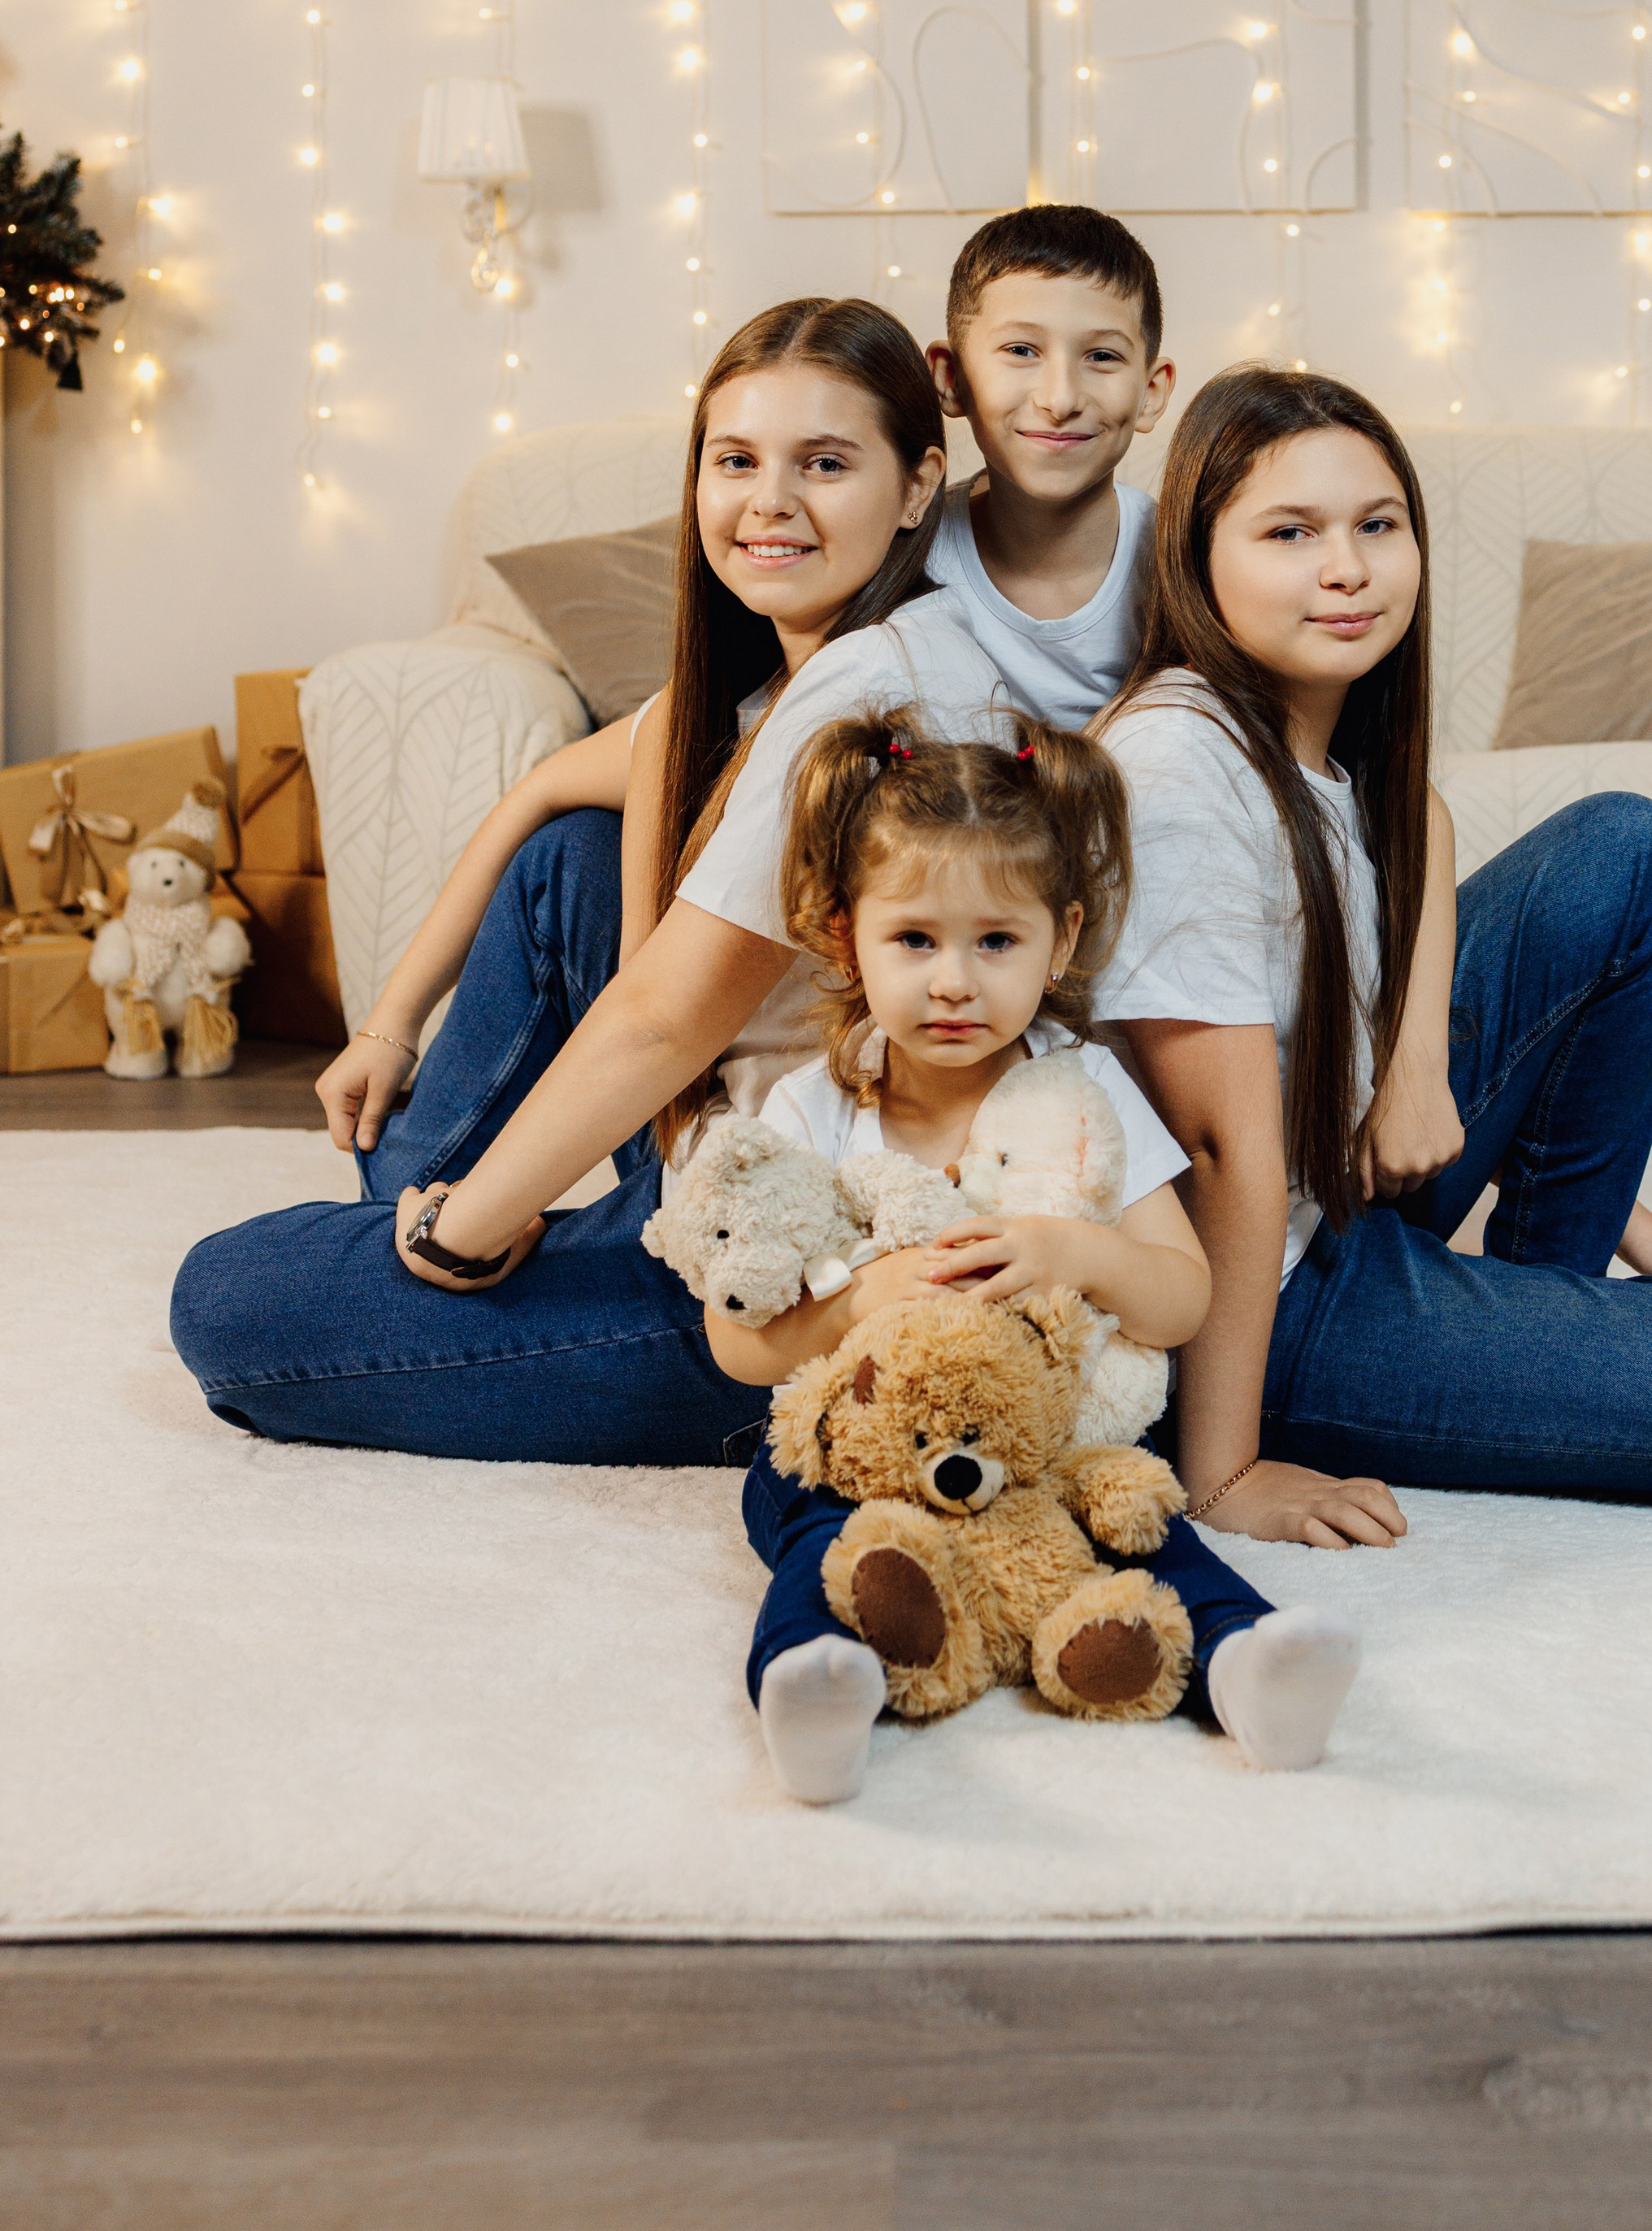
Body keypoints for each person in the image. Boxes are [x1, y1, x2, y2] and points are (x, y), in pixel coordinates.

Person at [169, 299, 1023, 1464]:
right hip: (718, 1144)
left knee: (227, 1299)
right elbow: (538, 799)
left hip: (795, 1264)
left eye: (825, 463)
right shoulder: (801, 671)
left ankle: (426, 1250)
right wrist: (387, 1027)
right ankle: (417, 1236)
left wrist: (461, 1235)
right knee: (566, 855)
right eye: (736, 461)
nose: (769, 501)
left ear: (920, 485)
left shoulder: (867, 697)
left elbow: (663, 1017)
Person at [1094, 362, 1652, 1550]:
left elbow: (1422, 823)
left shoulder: (1327, 758)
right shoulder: (1181, 770)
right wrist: (1226, 1473)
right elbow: (1217, 1148)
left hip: (1333, 1198)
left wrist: (1424, 1075)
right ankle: (1500, 1358)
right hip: (1246, 1298)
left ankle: (1537, 1306)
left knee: (1636, 854)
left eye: (1378, 525)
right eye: (1290, 532)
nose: (1348, 567)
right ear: (1197, 559)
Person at [714, 711, 1358, 1803]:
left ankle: (1246, 1663)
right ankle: (819, 1688)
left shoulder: (1085, 1094)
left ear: (1060, 943)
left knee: (1137, 1520)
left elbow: (1181, 1298)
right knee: (795, 1496)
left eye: (995, 942)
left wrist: (1073, 1250)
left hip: (1043, 1450)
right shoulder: (811, 1109)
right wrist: (861, 1295)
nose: (955, 982)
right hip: (874, 1450)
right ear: (843, 936)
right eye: (914, 939)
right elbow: (735, 1340)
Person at [925, 204, 1174, 728]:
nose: (1060, 400)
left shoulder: (1184, 566)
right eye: (1021, 349)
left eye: (1102, 356)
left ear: (1151, 394)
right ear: (951, 378)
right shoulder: (909, 555)